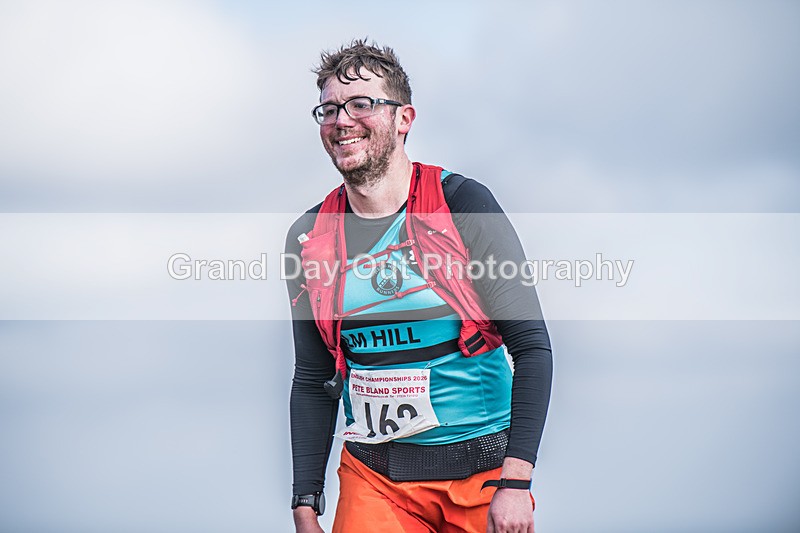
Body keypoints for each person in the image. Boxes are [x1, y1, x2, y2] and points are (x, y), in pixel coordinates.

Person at [285, 39, 552, 533]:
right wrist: (305, 503)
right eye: (330, 109)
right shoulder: (309, 237)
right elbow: (313, 377)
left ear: (404, 118)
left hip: (482, 477)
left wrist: (516, 484)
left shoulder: (463, 203)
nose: (342, 120)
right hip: (375, 479)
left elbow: (533, 349)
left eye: (361, 104)